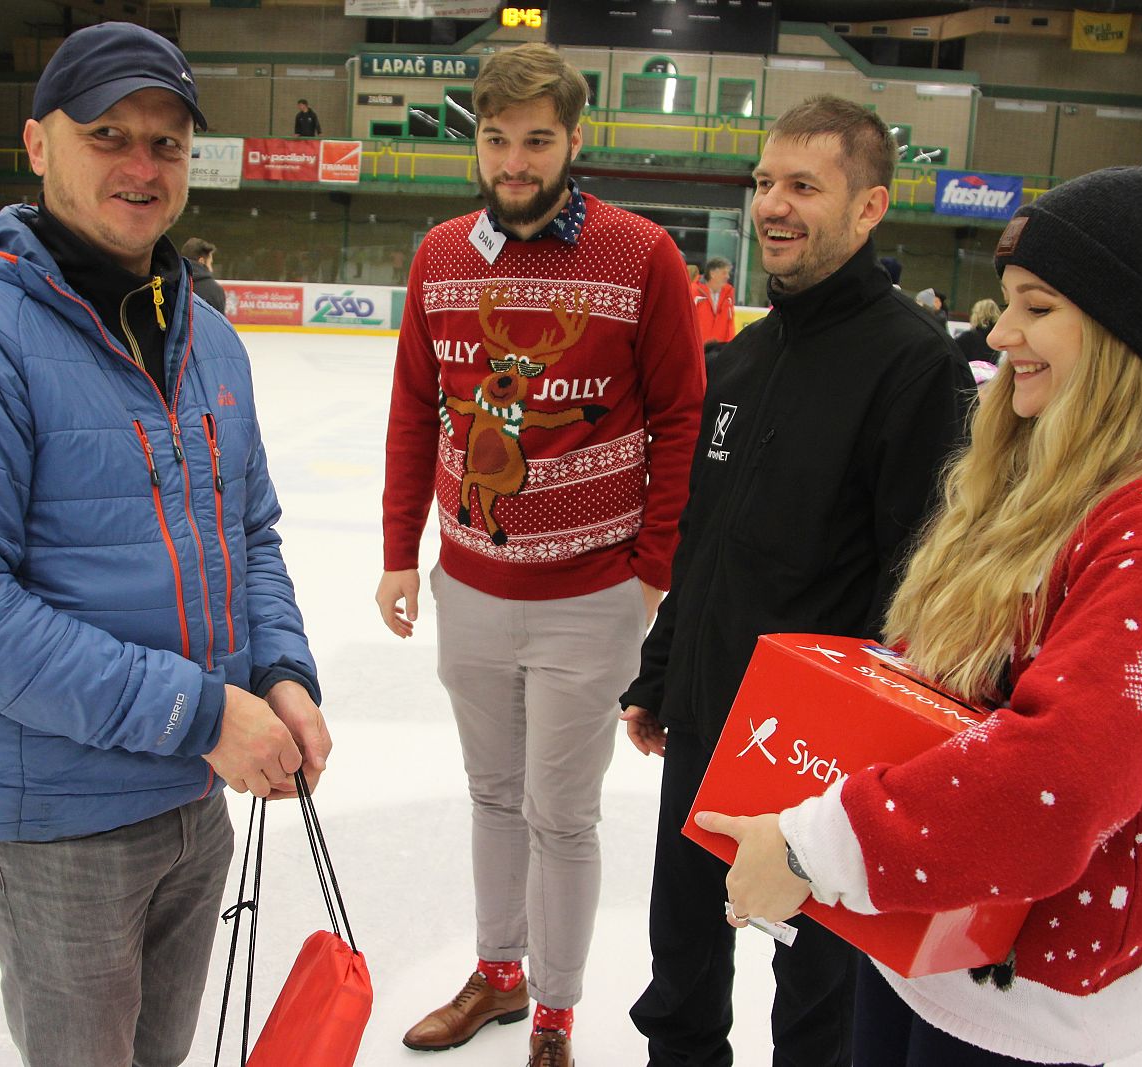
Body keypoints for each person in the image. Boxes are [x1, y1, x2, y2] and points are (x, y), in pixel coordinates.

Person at [703, 161, 1142, 1067]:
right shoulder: (1035, 475)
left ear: (1119, 329)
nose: (1002, 332)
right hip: (918, 936)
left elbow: (1061, 779)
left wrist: (814, 847)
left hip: (1023, 994)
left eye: (1039, 307)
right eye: (1008, 302)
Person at [0, 23, 329, 1066]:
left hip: (196, 800)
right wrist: (200, 711)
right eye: (108, 135)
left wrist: (280, 671)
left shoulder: (210, 340)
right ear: (39, 145)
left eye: (166, 144)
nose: (141, 165)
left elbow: (249, 534)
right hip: (60, 826)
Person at [619, 94, 974, 1067]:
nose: (773, 204)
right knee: (681, 964)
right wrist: (664, 669)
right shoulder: (745, 355)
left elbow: (921, 591)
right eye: (765, 181)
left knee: (818, 999)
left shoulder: (914, 366)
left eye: (804, 186)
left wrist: (874, 766)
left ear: (869, 207)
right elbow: (706, 535)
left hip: (825, 761)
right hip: (709, 717)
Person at [377, 42, 705, 1067]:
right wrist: (399, 549)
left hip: (592, 593)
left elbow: (680, 416)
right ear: (475, 142)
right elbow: (415, 407)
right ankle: (499, 974)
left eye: (535, 140)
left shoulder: (641, 254)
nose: (513, 162)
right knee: (491, 794)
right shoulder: (441, 255)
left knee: (560, 814)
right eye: (495, 139)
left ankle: (556, 1013)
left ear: (573, 140)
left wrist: (652, 568)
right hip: (469, 582)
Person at [691, 255, 736, 346]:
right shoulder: (693, 292)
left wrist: (730, 346)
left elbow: (730, 325)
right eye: (724, 273)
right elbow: (687, 323)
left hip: (719, 350)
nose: (727, 276)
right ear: (712, 273)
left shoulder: (728, 295)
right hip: (698, 348)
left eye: (728, 273)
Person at [180, 236, 227, 314]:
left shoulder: (172, 282)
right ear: (202, 261)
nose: (211, 269)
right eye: (210, 263)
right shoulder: (215, 290)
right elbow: (219, 320)